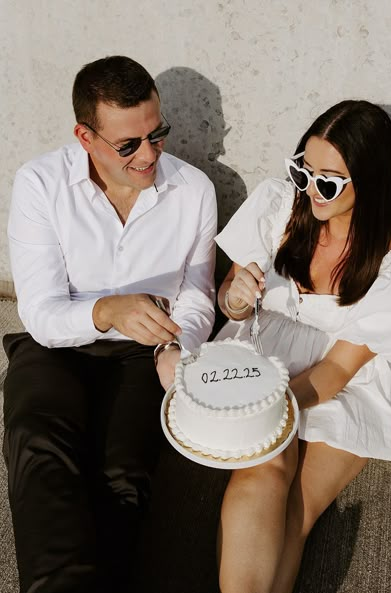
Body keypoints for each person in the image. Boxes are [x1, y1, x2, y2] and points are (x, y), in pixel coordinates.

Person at [3, 55, 217, 593]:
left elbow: (196, 294)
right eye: (129, 145)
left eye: (157, 134)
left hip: (144, 353)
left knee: (123, 480)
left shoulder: (194, 191)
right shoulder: (39, 184)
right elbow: (42, 313)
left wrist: (180, 347)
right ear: (85, 136)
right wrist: (106, 310)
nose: (150, 155)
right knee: (39, 448)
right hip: (56, 347)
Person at [214, 100, 391, 593]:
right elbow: (233, 306)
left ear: (369, 183)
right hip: (262, 351)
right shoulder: (277, 207)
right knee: (264, 470)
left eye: (329, 182)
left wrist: (269, 403)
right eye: (303, 170)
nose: (310, 189)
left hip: (340, 382)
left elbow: (335, 372)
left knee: (297, 512)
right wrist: (236, 298)